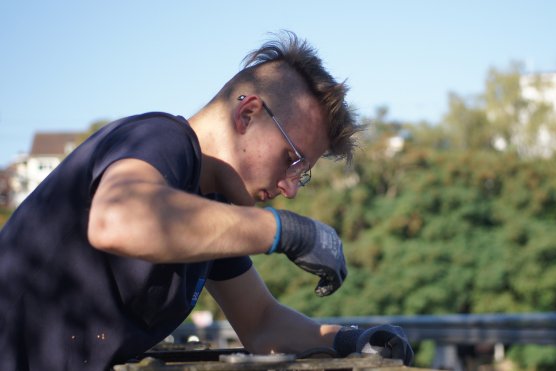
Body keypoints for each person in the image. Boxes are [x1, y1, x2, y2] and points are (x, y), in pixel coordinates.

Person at [0, 31, 413, 370]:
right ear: (247, 114)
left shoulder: (209, 208)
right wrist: (285, 230)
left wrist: (352, 338)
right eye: (291, 159)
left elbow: (262, 324)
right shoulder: (161, 140)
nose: (291, 188)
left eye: (301, 173)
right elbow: (119, 220)